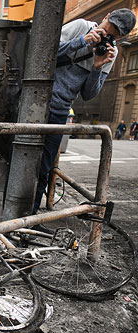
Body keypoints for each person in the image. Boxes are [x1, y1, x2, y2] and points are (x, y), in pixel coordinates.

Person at [33, 8, 136, 213]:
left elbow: (88, 94)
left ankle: (30, 216)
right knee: (18, 156)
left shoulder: (108, 54)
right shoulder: (80, 26)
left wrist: (97, 67)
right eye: (108, 28)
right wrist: (81, 41)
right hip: (34, 102)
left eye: (114, 34)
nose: (107, 35)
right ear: (105, 18)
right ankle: (8, 211)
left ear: (121, 37)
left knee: (43, 168)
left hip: (59, 111)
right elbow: (44, 53)